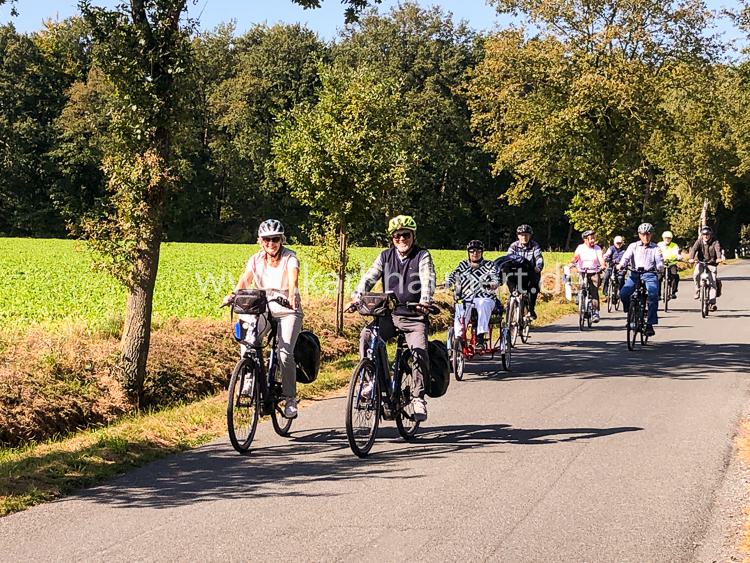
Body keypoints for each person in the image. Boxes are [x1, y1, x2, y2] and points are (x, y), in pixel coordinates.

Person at [350, 215, 436, 422]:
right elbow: (369, 277)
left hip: (414, 316)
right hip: (388, 315)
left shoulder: (422, 256)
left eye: (405, 235)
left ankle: (417, 397)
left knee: (419, 351)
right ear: (392, 238)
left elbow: (428, 279)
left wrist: (425, 301)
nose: (401, 239)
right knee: (367, 336)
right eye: (397, 236)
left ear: (413, 236)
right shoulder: (385, 256)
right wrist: (356, 297)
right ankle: (370, 381)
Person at [224, 219, 303, 418]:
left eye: (275, 239)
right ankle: (249, 376)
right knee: (248, 339)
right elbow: (245, 279)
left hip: (287, 309)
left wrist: (292, 295)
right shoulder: (255, 259)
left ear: (281, 240)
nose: (271, 243)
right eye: (267, 239)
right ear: (260, 241)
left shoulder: (290, 258)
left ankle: (290, 398)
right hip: (263, 307)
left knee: (285, 354)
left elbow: (293, 278)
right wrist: (234, 295)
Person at [446, 240, 501, 348]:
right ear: (468, 252)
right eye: (472, 251)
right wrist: (447, 282)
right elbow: (453, 275)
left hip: (485, 297)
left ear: (482, 252)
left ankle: (480, 337)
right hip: (467, 298)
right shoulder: (462, 265)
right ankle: (459, 337)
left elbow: (495, 277)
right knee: (460, 307)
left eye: (478, 251)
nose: (475, 253)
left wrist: (493, 283)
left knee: (483, 304)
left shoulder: (489, 265)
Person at [618, 223, 664, 337]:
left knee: (653, 295)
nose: (645, 237)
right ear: (639, 235)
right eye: (643, 234)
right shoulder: (633, 246)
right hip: (634, 274)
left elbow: (659, 261)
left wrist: (660, 268)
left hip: (650, 274)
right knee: (624, 293)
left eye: (648, 234)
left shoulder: (656, 248)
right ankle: (631, 314)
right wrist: (621, 265)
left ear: (651, 235)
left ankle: (650, 324)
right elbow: (626, 257)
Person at [506, 224, 544, 320]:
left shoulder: (534, 246)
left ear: (530, 236)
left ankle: (531, 309)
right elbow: (508, 257)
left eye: (526, 235)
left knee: (533, 288)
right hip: (516, 272)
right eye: (522, 235)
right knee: (510, 282)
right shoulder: (513, 246)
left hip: (530, 272)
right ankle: (513, 304)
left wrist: (538, 267)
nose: (524, 237)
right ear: (518, 236)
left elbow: (539, 257)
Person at [570, 230, 606, 322]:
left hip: (594, 271)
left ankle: (595, 312)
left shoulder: (597, 248)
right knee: (582, 286)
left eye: (594, 238)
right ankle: (580, 298)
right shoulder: (580, 248)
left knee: (594, 290)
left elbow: (601, 258)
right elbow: (576, 257)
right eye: (591, 238)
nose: (593, 240)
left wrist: (602, 265)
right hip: (583, 271)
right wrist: (572, 263)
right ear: (585, 239)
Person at [689, 226, 724, 311]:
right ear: (701, 235)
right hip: (701, 262)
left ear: (710, 235)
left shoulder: (715, 242)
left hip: (712, 264)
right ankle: (697, 290)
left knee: (713, 283)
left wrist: (719, 258)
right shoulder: (699, 241)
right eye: (704, 234)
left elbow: (718, 250)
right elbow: (693, 249)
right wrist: (691, 258)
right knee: (696, 274)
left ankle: (712, 303)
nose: (705, 236)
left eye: (707, 234)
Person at [657, 230, 681, 299]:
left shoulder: (674, 245)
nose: (667, 239)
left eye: (669, 238)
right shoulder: (659, 245)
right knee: (658, 278)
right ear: (663, 238)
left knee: (675, 276)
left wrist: (679, 257)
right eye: (666, 238)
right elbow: (657, 253)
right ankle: (658, 294)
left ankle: (673, 292)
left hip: (672, 263)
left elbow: (677, 253)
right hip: (662, 264)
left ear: (671, 238)